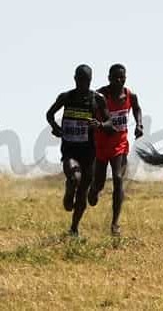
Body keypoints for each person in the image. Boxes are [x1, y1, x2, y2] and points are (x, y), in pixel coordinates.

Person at [46, 64, 113, 237]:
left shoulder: (97, 99)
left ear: (90, 81)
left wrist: (99, 124)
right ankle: (69, 190)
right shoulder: (66, 97)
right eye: (80, 80)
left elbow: (109, 122)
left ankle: (74, 228)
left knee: (83, 190)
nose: (83, 83)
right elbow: (49, 114)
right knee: (75, 177)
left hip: (89, 151)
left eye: (87, 81)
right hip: (70, 149)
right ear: (75, 79)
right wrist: (56, 128)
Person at [88, 64, 143, 236]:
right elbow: (89, 113)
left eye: (122, 77)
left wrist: (139, 124)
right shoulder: (99, 95)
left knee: (118, 178)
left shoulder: (130, 95)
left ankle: (115, 224)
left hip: (119, 143)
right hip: (101, 144)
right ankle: (94, 190)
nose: (119, 80)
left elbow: (137, 109)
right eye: (115, 77)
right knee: (99, 183)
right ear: (109, 78)